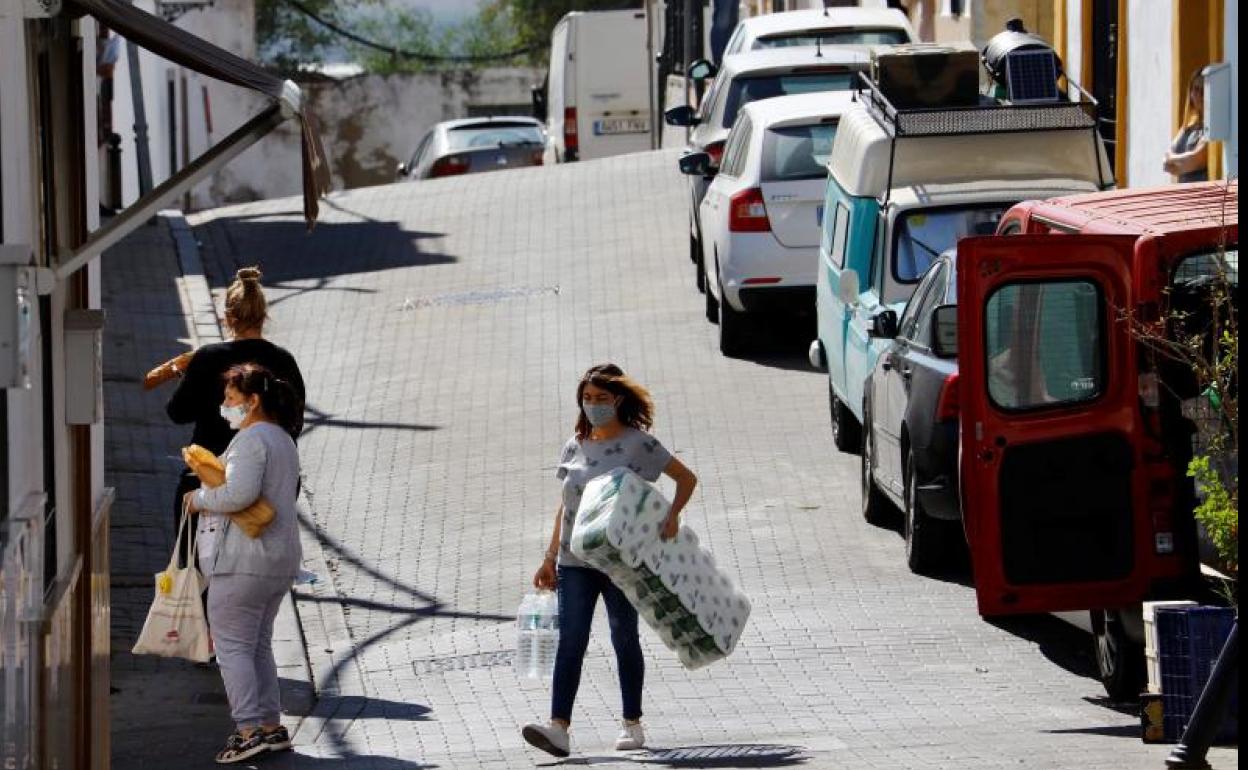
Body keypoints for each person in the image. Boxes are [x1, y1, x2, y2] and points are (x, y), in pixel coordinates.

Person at [522, 364, 698, 758]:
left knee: (623, 637)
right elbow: (566, 507)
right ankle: (558, 728)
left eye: (601, 398)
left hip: (620, 562)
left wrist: (672, 516)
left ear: (618, 400)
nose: (593, 405)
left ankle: (632, 723)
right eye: (587, 398)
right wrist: (549, 557)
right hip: (574, 562)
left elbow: (686, 478)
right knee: (571, 640)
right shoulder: (575, 445)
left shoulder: (638, 443)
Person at [184, 364, 303, 764]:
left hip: (244, 559)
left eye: (231, 399)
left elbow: (239, 494)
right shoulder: (283, 439)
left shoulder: (252, 440)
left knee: (233, 646)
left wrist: (198, 499)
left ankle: (248, 730)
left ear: (253, 401)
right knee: (258, 645)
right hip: (279, 559)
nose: (225, 405)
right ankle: (270, 725)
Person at [167, 267, 305, 566]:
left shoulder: (207, 358)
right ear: (263, 315)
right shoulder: (283, 361)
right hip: (269, 487)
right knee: (258, 572)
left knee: (196, 571)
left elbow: (177, 413)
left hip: (209, 478)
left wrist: (188, 379)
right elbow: (295, 423)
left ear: (228, 318)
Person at [1164, 70, 1210, 183]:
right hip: (1183, 190)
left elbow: (1196, 159)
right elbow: (1166, 157)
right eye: (1196, 89)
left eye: (1203, 89)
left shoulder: (1211, 127)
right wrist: (1179, 164)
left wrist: (1174, 162)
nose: (1199, 94)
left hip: (1201, 191)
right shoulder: (1189, 125)